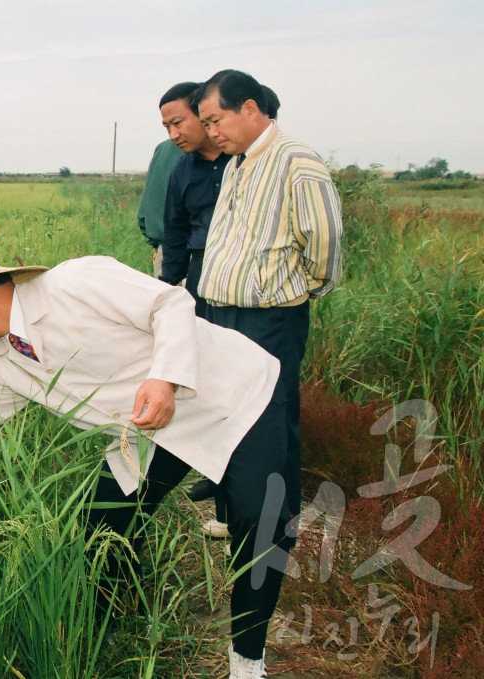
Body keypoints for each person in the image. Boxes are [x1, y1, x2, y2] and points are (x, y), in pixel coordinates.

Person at [0, 233, 293, 678]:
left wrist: (164, 378)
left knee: (262, 526)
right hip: (150, 431)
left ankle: (247, 663)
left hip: (230, 396)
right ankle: (112, 631)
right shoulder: (2, 363)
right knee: (102, 524)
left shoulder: (76, 283)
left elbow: (171, 304)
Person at [195, 70, 343, 530]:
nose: (212, 132)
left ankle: (275, 526)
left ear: (250, 109)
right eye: (207, 123)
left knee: (270, 421)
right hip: (223, 315)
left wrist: (296, 290)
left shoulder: (296, 160)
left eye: (216, 120)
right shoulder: (238, 163)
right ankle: (237, 515)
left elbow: (325, 240)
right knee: (228, 413)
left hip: (268, 320)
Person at [157, 81, 234, 537]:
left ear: (205, 115)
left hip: (246, 290)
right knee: (208, 390)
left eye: (178, 122)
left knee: (241, 390)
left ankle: (245, 508)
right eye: (166, 126)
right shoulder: (182, 173)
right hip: (202, 284)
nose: (174, 133)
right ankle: (223, 502)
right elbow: (176, 235)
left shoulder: (243, 164)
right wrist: (167, 296)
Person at [136, 139, 183, 279]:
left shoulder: (162, 148)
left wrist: (157, 245)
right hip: (195, 254)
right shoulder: (212, 146)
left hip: (164, 253)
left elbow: (143, 214)